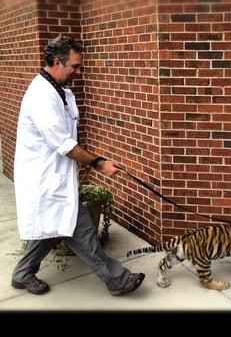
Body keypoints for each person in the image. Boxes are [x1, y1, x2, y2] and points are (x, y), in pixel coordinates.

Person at [11, 36, 145, 296]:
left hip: (57, 177)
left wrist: (83, 162)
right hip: (45, 180)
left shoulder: (59, 90)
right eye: (75, 66)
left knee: (53, 229)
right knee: (78, 227)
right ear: (58, 62)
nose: (79, 71)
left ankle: (22, 273)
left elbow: (67, 136)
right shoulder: (41, 95)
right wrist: (98, 163)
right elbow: (63, 143)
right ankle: (117, 280)